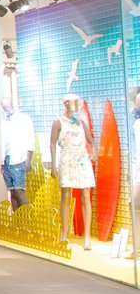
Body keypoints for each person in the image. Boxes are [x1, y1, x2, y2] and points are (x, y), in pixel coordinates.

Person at [50, 93, 96, 249]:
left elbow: (91, 139)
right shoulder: (58, 122)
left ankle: (87, 236)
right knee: (65, 195)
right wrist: (53, 165)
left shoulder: (81, 123)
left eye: (78, 101)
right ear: (66, 104)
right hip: (67, 157)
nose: (77, 103)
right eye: (74, 101)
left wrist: (94, 152)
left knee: (85, 194)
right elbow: (52, 144)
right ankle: (64, 233)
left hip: (81, 158)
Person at [0, 97, 34, 211]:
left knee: (19, 191)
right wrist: (2, 162)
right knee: (13, 192)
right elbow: (3, 142)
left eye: (7, 106)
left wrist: (28, 160)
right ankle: (18, 222)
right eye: (4, 107)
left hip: (18, 159)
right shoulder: (4, 121)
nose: (6, 109)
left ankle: (29, 220)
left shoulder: (23, 119)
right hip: (7, 160)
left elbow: (30, 139)